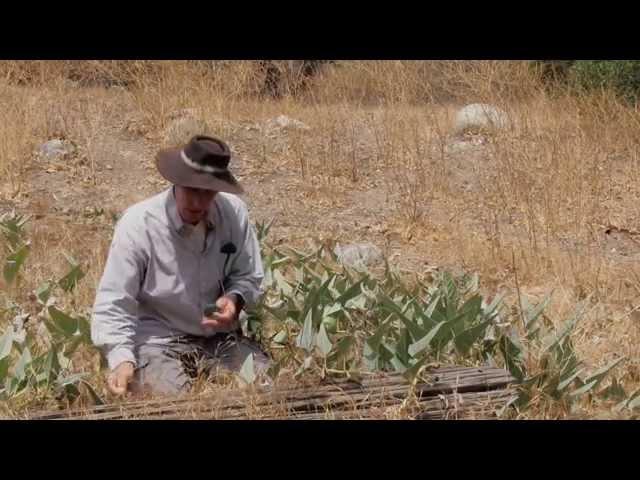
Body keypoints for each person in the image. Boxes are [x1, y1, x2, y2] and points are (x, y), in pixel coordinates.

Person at [91, 135, 270, 397]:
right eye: (191, 189)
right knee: (173, 406)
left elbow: (249, 276)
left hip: (218, 337)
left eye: (207, 192)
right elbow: (114, 300)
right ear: (175, 181)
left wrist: (234, 299)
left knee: (269, 387)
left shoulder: (234, 213)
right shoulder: (139, 225)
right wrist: (121, 357)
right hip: (158, 338)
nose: (197, 203)